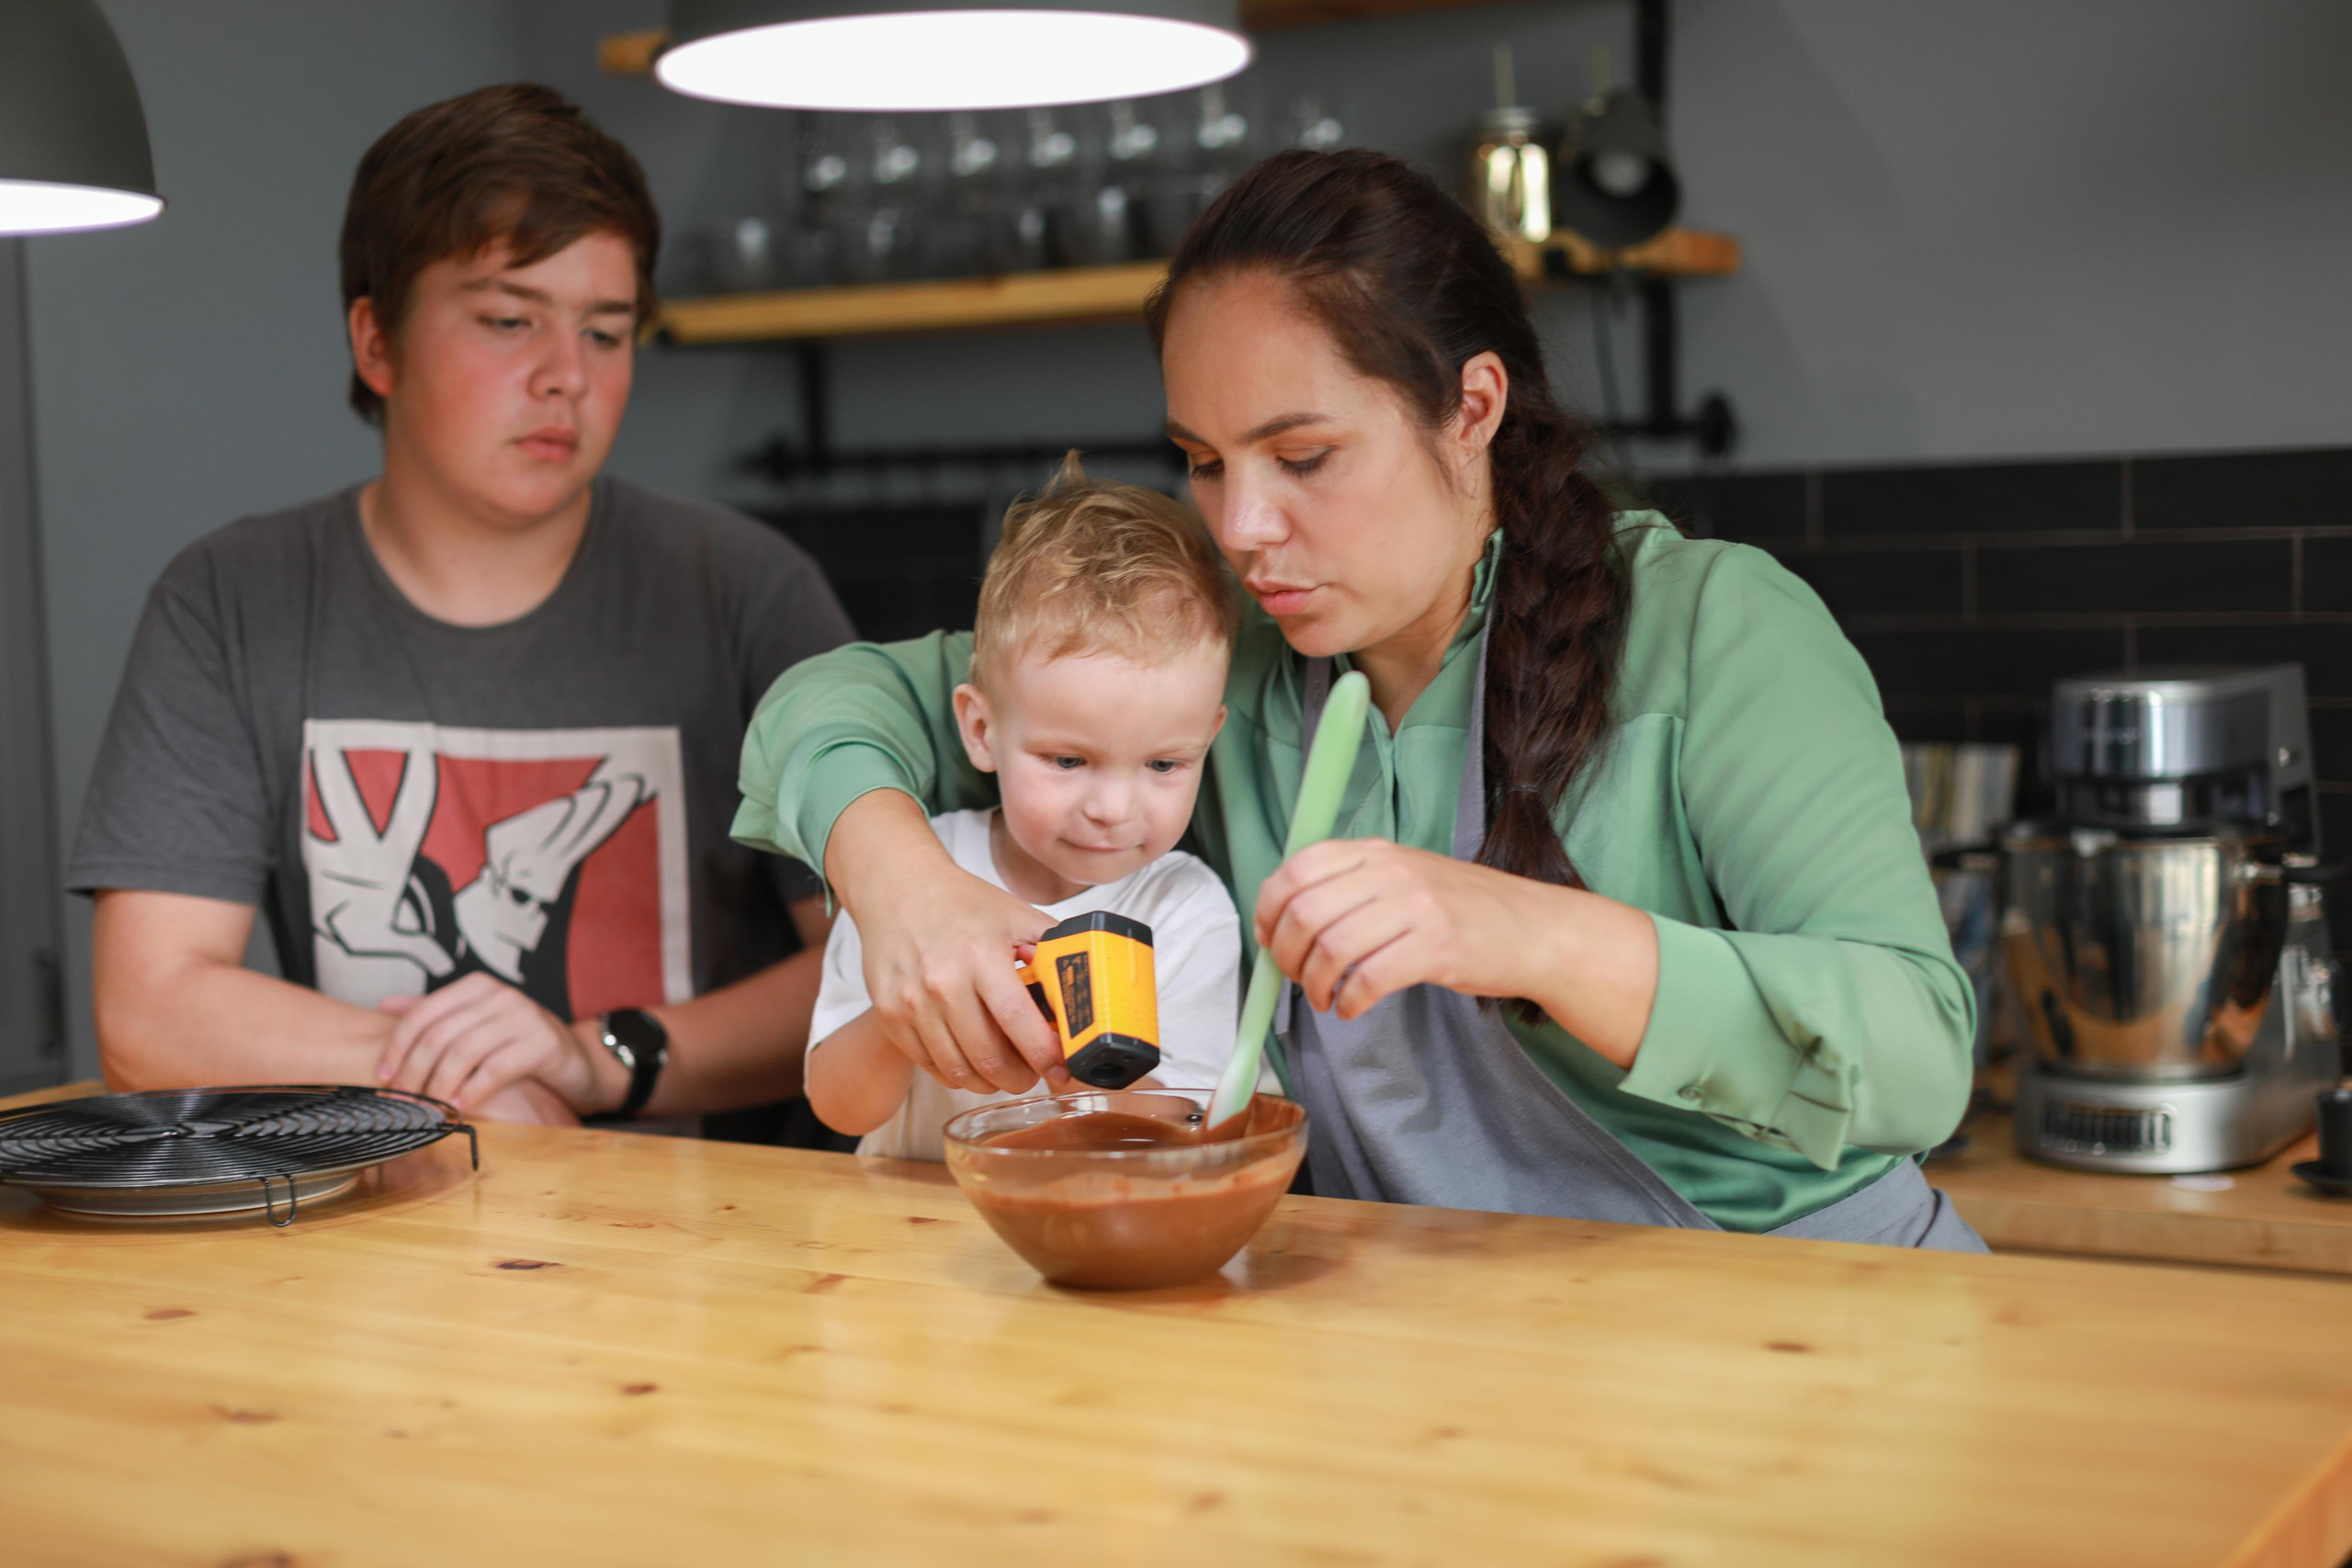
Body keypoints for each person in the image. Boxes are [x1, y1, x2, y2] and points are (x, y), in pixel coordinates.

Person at [736, 149, 1983, 1247]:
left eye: (1304, 457)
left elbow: (1919, 1055)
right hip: (1445, 1347)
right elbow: (831, 701)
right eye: (1204, 462)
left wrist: (1533, 935)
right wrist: (903, 889)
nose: (1241, 526)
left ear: (1471, 407)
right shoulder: (1219, 660)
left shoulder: (1713, 627)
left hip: (1802, 1317)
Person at [69, 85, 854, 1128]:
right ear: (376, 343)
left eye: (606, 332)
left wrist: (596, 1060)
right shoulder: (230, 602)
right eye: (508, 321)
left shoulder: (748, 592)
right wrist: (483, 1080)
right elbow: (147, 1011)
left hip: (706, 1215)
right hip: (380, 1209)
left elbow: (878, 972)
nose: (566, 377)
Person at [803, 458, 1247, 1158]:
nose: (1113, 808)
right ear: (982, 730)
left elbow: (1181, 1124)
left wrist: (1074, 1034)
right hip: (903, 1217)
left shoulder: (1185, 908)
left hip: (1092, 1215)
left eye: (1164, 764)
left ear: (1207, 740)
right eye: (1068, 760)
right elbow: (838, 1106)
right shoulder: (916, 871)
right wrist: (910, 1008)